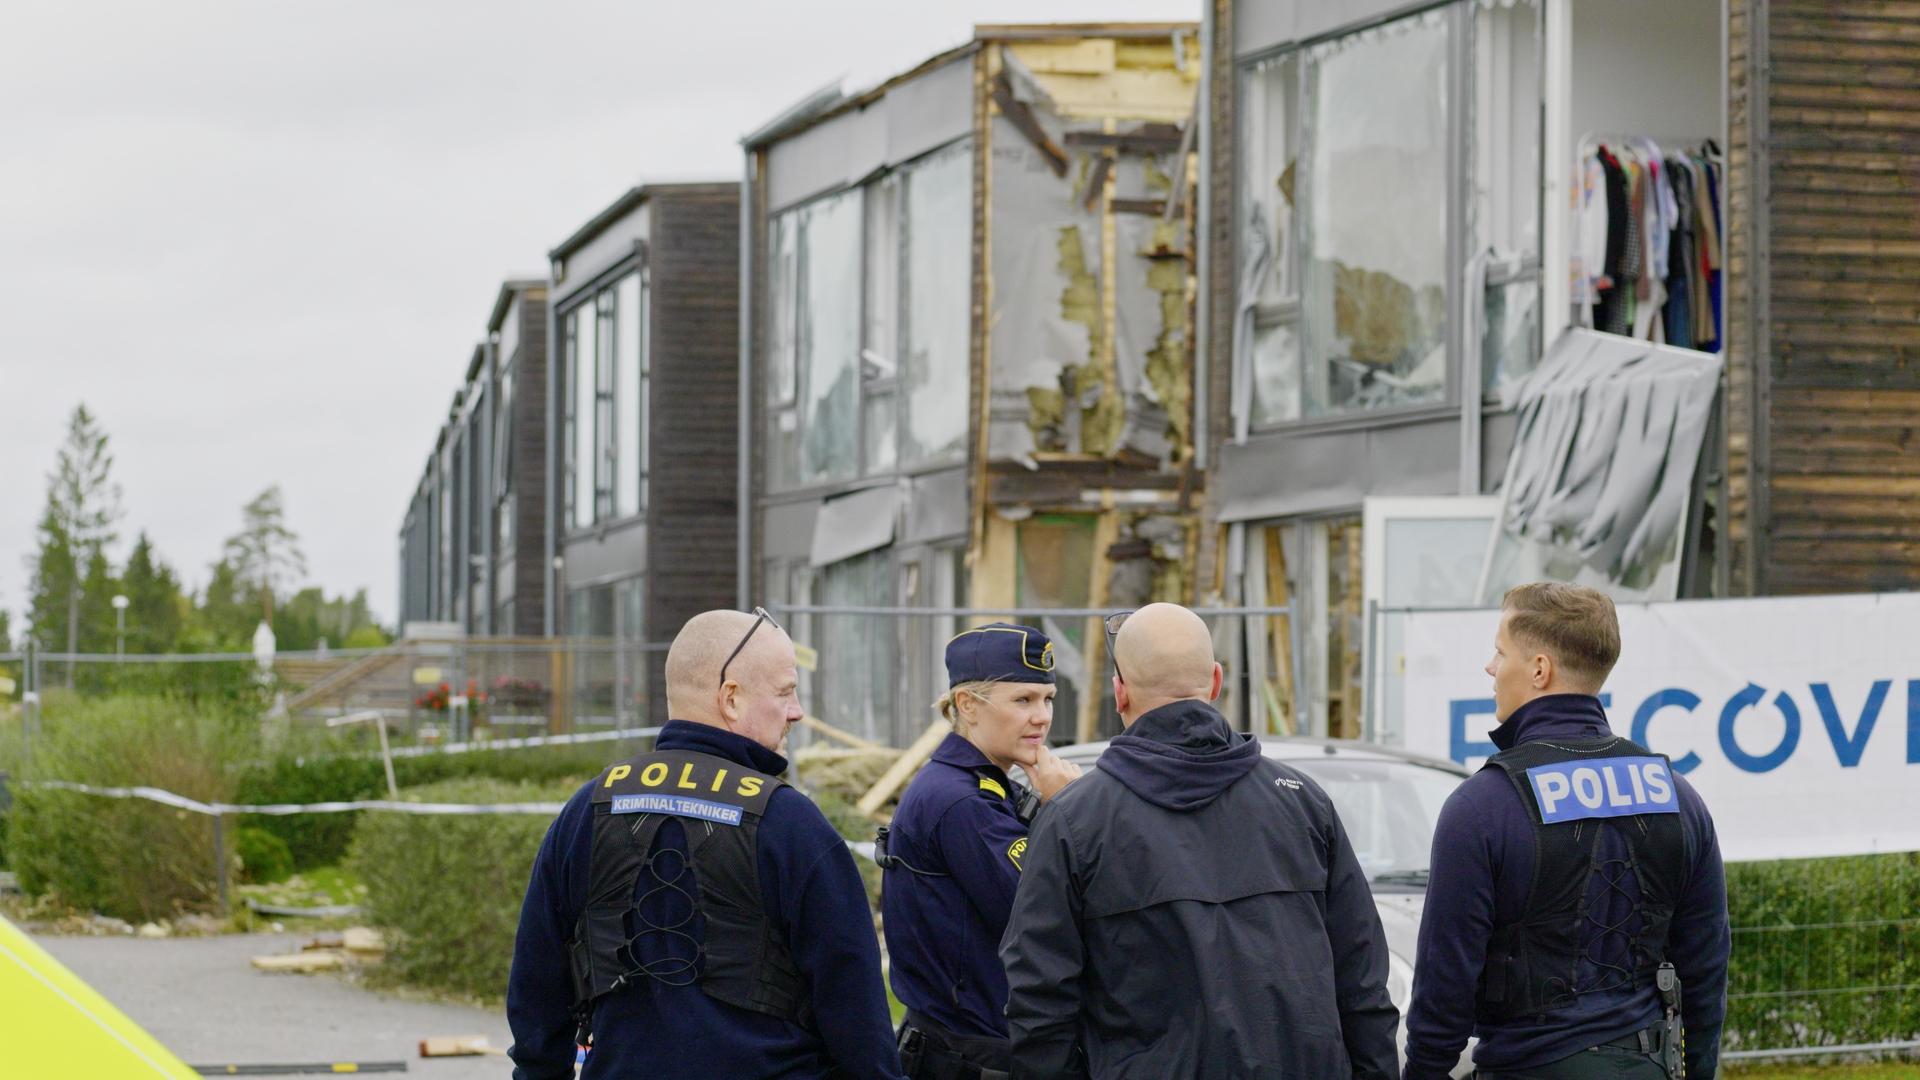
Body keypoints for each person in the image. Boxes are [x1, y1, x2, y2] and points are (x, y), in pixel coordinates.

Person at [1001, 603, 1400, 1079]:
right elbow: (1363, 982)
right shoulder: (1302, 804)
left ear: (1119, 692)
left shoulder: (1073, 820)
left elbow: (1039, 1002)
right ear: (1215, 681)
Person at [506, 608, 903, 1080]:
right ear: (730, 698)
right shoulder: (788, 823)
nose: (796, 711)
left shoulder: (588, 810)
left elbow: (536, 988)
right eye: (785, 692)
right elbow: (854, 1006)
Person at [1402, 583, 1729, 1080]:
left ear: (1539, 669)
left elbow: (1443, 988)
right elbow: (1706, 966)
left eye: (1499, 651)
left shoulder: (1482, 808)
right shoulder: (1678, 798)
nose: (1490, 668)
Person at [881, 623, 1084, 1079]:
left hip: (971, 1045)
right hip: (973, 1054)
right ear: (968, 706)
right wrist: (1065, 810)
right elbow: (1047, 919)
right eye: (1023, 700)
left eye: (1047, 699)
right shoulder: (964, 801)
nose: (1042, 717)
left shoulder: (981, 784)